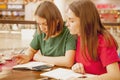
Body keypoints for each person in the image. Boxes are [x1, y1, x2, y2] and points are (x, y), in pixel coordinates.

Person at [66, 0, 120, 80]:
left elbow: (115, 75)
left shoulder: (103, 40)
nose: (67, 24)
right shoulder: (79, 38)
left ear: (85, 21)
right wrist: (76, 66)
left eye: (72, 21)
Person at [13, 1, 76, 68]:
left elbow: (68, 62)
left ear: (57, 20)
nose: (42, 28)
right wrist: (27, 56)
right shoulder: (40, 31)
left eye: (45, 24)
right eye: (39, 24)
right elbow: (32, 50)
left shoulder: (69, 31)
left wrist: (40, 58)